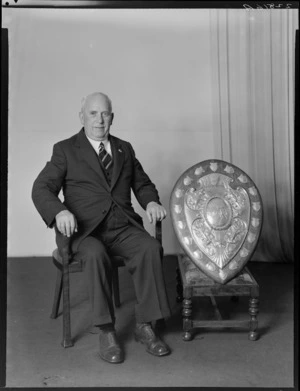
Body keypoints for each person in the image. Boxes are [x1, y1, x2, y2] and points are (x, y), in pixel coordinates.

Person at [32, 92, 171, 364]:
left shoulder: (124, 148)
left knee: (150, 248)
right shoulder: (66, 149)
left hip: (122, 226)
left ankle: (145, 325)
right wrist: (59, 211)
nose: (99, 119)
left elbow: (141, 184)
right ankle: (106, 331)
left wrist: (151, 201)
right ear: (81, 116)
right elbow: (41, 188)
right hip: (84, 231)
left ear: (112, 118)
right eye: (93, 113)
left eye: (105, 114)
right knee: (95, 255)